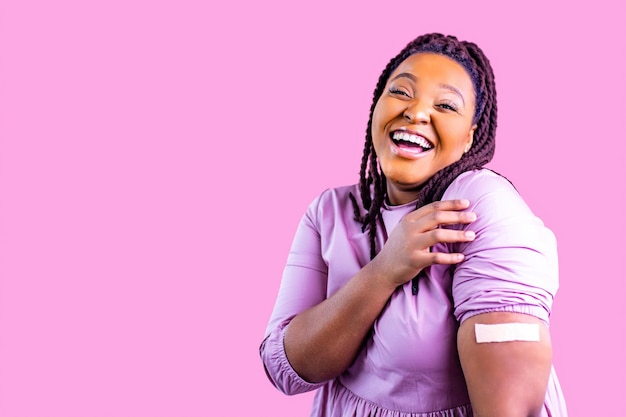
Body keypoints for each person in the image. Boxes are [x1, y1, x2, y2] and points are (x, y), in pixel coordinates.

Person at [260, 33, 568, 416]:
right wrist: (384, 271)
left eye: (445, 105)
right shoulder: (330, 211)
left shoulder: (480, 207)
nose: (417, 112)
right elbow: (287, 369)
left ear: (472, 136)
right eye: (402, 93)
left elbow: (513, 397)